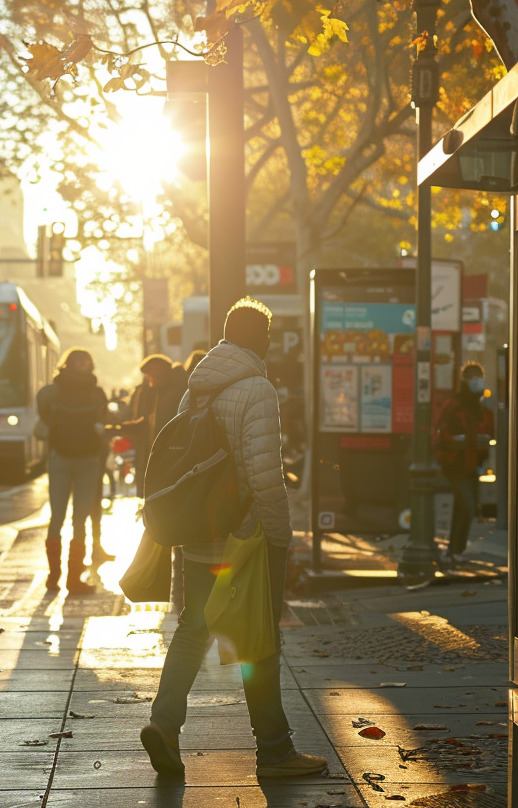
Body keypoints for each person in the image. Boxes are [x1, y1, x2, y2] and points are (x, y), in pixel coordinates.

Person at [140, 297, 327, 779]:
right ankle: (275, 751)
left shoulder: (195, 388)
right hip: (244, 538)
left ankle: (164, 724)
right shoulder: (257, 389)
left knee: (192, 628)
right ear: (256, 337)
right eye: (266, 334)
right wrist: (281, 538)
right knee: (258, 640)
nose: (269, 342)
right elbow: (264, 475)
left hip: (199, 532)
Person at [37, 348, 109, 594]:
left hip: (60, 457)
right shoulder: (96, 392)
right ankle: (73, 580)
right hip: (88, 459)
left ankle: (52, 577)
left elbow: (44, 417)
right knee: (80, 519)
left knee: (56, 517)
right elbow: (104, 421)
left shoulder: (51, 391)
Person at [433, 361, 495, 564]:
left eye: (480, 376)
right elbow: (442, 433)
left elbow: (486, 432)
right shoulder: (455, 405)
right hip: (455, 464)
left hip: (471, 464)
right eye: (474, 377)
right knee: (468, 507)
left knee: (462, 508)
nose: (478, 381)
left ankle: (454, 551)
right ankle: (455, 550)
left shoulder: (479, 406)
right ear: (465, 380)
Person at [121, 353, 188, 483]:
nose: (150, 381)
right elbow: (151, 420)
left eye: (151, 376)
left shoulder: (174, 392)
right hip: (163, 449)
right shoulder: (161, 391)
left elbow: (164, 422)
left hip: (172, 450)